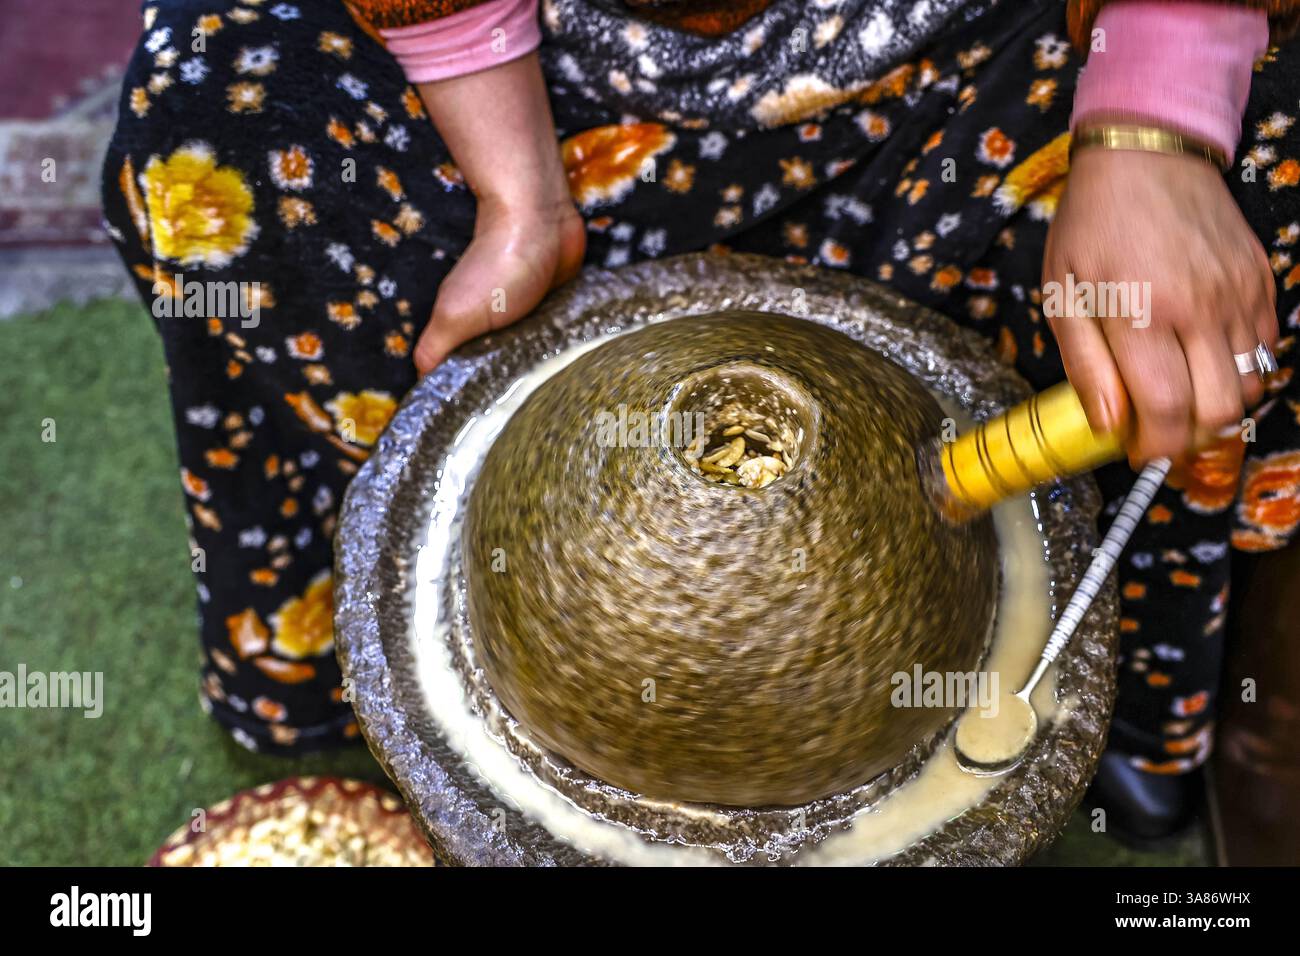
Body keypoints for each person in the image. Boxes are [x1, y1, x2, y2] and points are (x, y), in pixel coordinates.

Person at [102, 0, 1300, 843]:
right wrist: (512, 179)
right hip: (551, 78)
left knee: (1267, 160)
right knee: (214, 98)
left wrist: (1158, 115)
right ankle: (401, 667)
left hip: (977, 63)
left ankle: (1144, 696)